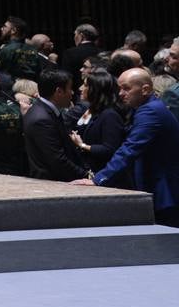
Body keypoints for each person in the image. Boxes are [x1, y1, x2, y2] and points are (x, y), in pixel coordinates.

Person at [72, 69, 179, 226]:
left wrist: (98, 179)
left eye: (126, 88)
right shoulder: (147, 108)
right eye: (119, 88)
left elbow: (129, 149)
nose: (121, 93)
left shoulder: (150, 112)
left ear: (145, 90)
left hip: (164, 191)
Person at [22, 68, 88, 182]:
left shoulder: (45, 111)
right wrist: (86, 176)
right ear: (59, 91)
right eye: (70, 88)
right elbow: (57, 159)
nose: (72, 93)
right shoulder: (42, 119)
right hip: (52, 183)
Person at [67, 70, 126, 174]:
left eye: (85, 85)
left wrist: (82, 145)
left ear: (96, 90)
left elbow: (109, 149)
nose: (80, 89)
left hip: (100, 172)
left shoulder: (110, 115)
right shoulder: (91, 109)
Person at [0, 16, 49, 81]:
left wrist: (0, 50)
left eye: (5, 26)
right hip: (32, 86)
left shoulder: (7, 49)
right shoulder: (33, 50)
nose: (1, 29)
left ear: (13, 30)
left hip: (13, 87)